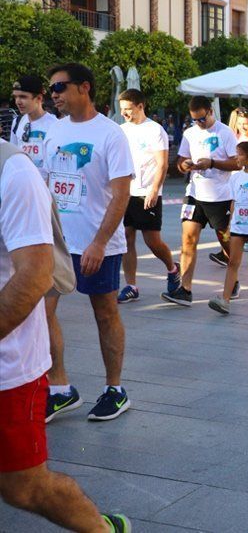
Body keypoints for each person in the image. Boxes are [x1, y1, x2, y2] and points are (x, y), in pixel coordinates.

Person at [0, 139, 131, 533]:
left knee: (24, 487)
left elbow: (35, 274)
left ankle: (101, 529)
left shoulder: (12, 171)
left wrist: (99, 241)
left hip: (9, 370)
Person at [42, 63, 134, 422]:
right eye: (51, 90)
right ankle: (61, 388)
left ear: (85, 88)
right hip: (57, 242)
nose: (55, 96)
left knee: (105, 313)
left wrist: (98, 242)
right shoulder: (55, 130)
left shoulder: (111, 134)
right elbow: (48, 185)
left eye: (60, 88)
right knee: (43, 314)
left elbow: (121, 194)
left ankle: (115, 389)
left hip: (98, 244)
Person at [161, 96, 239, 306]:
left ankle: (233, 278)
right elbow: (180, 162)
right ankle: (185, 290)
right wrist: (184, 165)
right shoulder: (190, 133)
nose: (199, 123)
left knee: (226, 240)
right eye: (195, 120)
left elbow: (237, 163)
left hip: (220, 196)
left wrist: (212, 163)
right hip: (194, 193)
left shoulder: (225, 133)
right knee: (188, 240)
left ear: (211, 111)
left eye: (202, 119)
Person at [116, 89, 180, 304]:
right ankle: (131, 285)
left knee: (152, 241)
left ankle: (172, 268)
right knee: (126, 237)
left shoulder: (155, 130)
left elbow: (162, 164)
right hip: (125, 192)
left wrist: (154, 190)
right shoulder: (120, 130)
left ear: (140, 106)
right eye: (122, 109)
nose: (124, 113)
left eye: (128, 109)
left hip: (147, 192)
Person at [208, 141, 248, 314]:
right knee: (233, 262)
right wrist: (230, 224)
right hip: (239, 226)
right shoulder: (236, 177)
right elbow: (234, 202)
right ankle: (225, 299)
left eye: (240, 154)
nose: (237, 157)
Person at [9, 75, 57, 174]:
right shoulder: (17, 122)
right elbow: (13, 157)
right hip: (23, 184)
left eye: (23, 97)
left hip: (44, 187)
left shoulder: (54, 125)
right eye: (15, 97)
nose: (18, 102)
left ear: (39, 98)